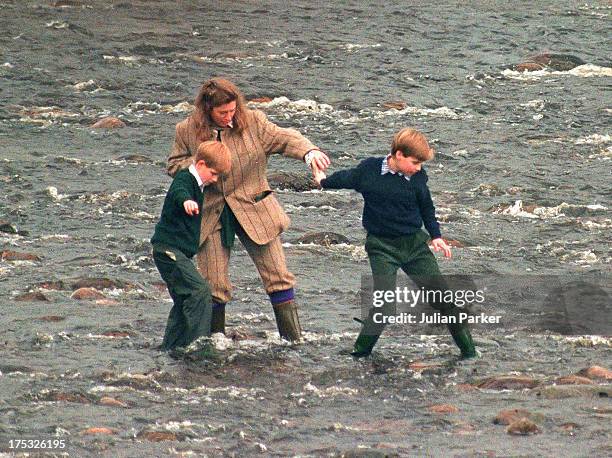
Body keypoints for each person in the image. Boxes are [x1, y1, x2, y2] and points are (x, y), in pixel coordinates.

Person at [167, 78, 330, 341]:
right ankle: (214, 344)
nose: (229, 116)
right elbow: (174, 166)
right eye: (222, 113)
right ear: (207, 110)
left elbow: (285, 138)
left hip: (255, 208)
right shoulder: (186, 130)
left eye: (232, 110)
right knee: (214, 287)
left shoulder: (253, 121)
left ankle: (293, 342)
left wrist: (308, 152)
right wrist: (198, 166)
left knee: (279, 277)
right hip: (211, 213)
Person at [314, 127, 477, 359]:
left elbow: (426, 207)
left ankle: (470, 353)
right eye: (415, 162)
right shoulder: (369, 171)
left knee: (444, 300)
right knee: (384, 307)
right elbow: (347, 178)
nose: (418, 168)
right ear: (398, 155)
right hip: (382, 248)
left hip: (415, 247)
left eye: (421, 164)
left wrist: (436, 236)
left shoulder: (417, 178)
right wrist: (323, 182)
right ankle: (359, 354)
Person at [151, 141, 232, 351]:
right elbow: (179, 191)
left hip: (175, 252)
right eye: (213, 174)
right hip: (168, 250)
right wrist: (187, 201)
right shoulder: (186, 179)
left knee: (183, 300)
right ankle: (197, 346)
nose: (215, 180)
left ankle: (170, 348)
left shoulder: (200, 184)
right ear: (202, 164)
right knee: (200, 291)